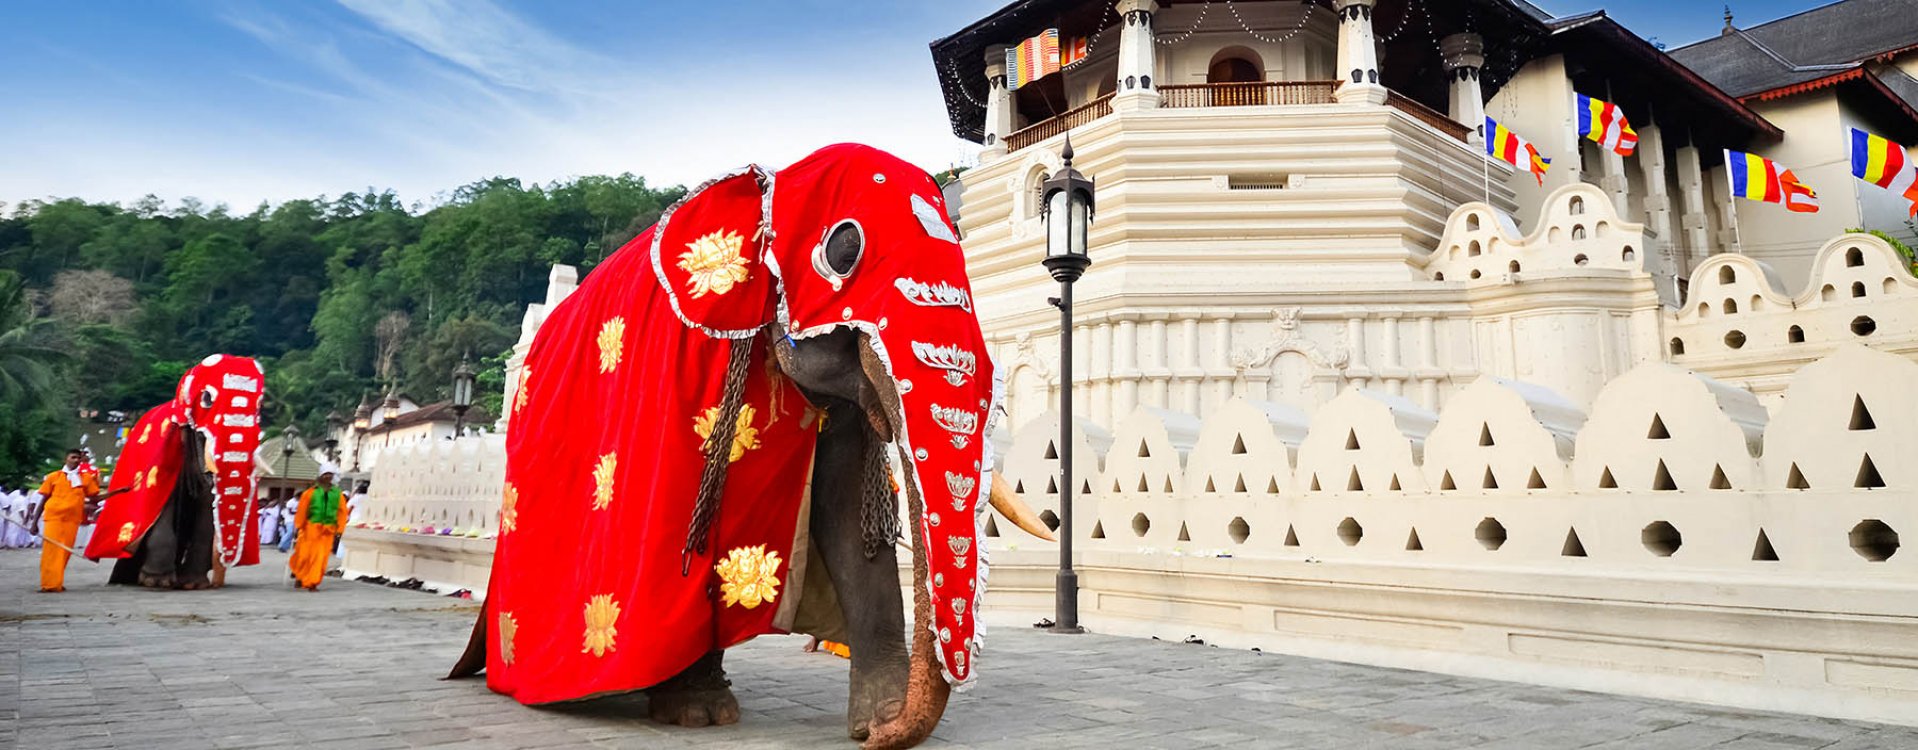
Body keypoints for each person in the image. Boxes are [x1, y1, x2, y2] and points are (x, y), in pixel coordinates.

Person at [28, 449, 107, 592]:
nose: (76, 460)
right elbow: (43, 499)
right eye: (73, 457)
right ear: (66, 459)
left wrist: (117, 492)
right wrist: (34, 523)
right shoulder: (53, 476)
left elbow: (95, 498)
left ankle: (56, 580)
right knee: (51, 551)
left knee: (65, 552)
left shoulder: (85, 478)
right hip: (53, 518)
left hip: (72, 520)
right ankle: (49, 584)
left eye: (78, 458)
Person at [288, 464, 346, 591]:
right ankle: (299, 575)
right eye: (325, 474)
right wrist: (298, 527)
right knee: (303, 556)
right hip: (310, 529)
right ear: (320, 475)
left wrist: (340, 529)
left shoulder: (337, 494)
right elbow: (302, 511)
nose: (328, 477)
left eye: (330, 474)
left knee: (320, 557)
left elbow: (342, 512)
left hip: (327, 531)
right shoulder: (310, 493)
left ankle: (312, 582)